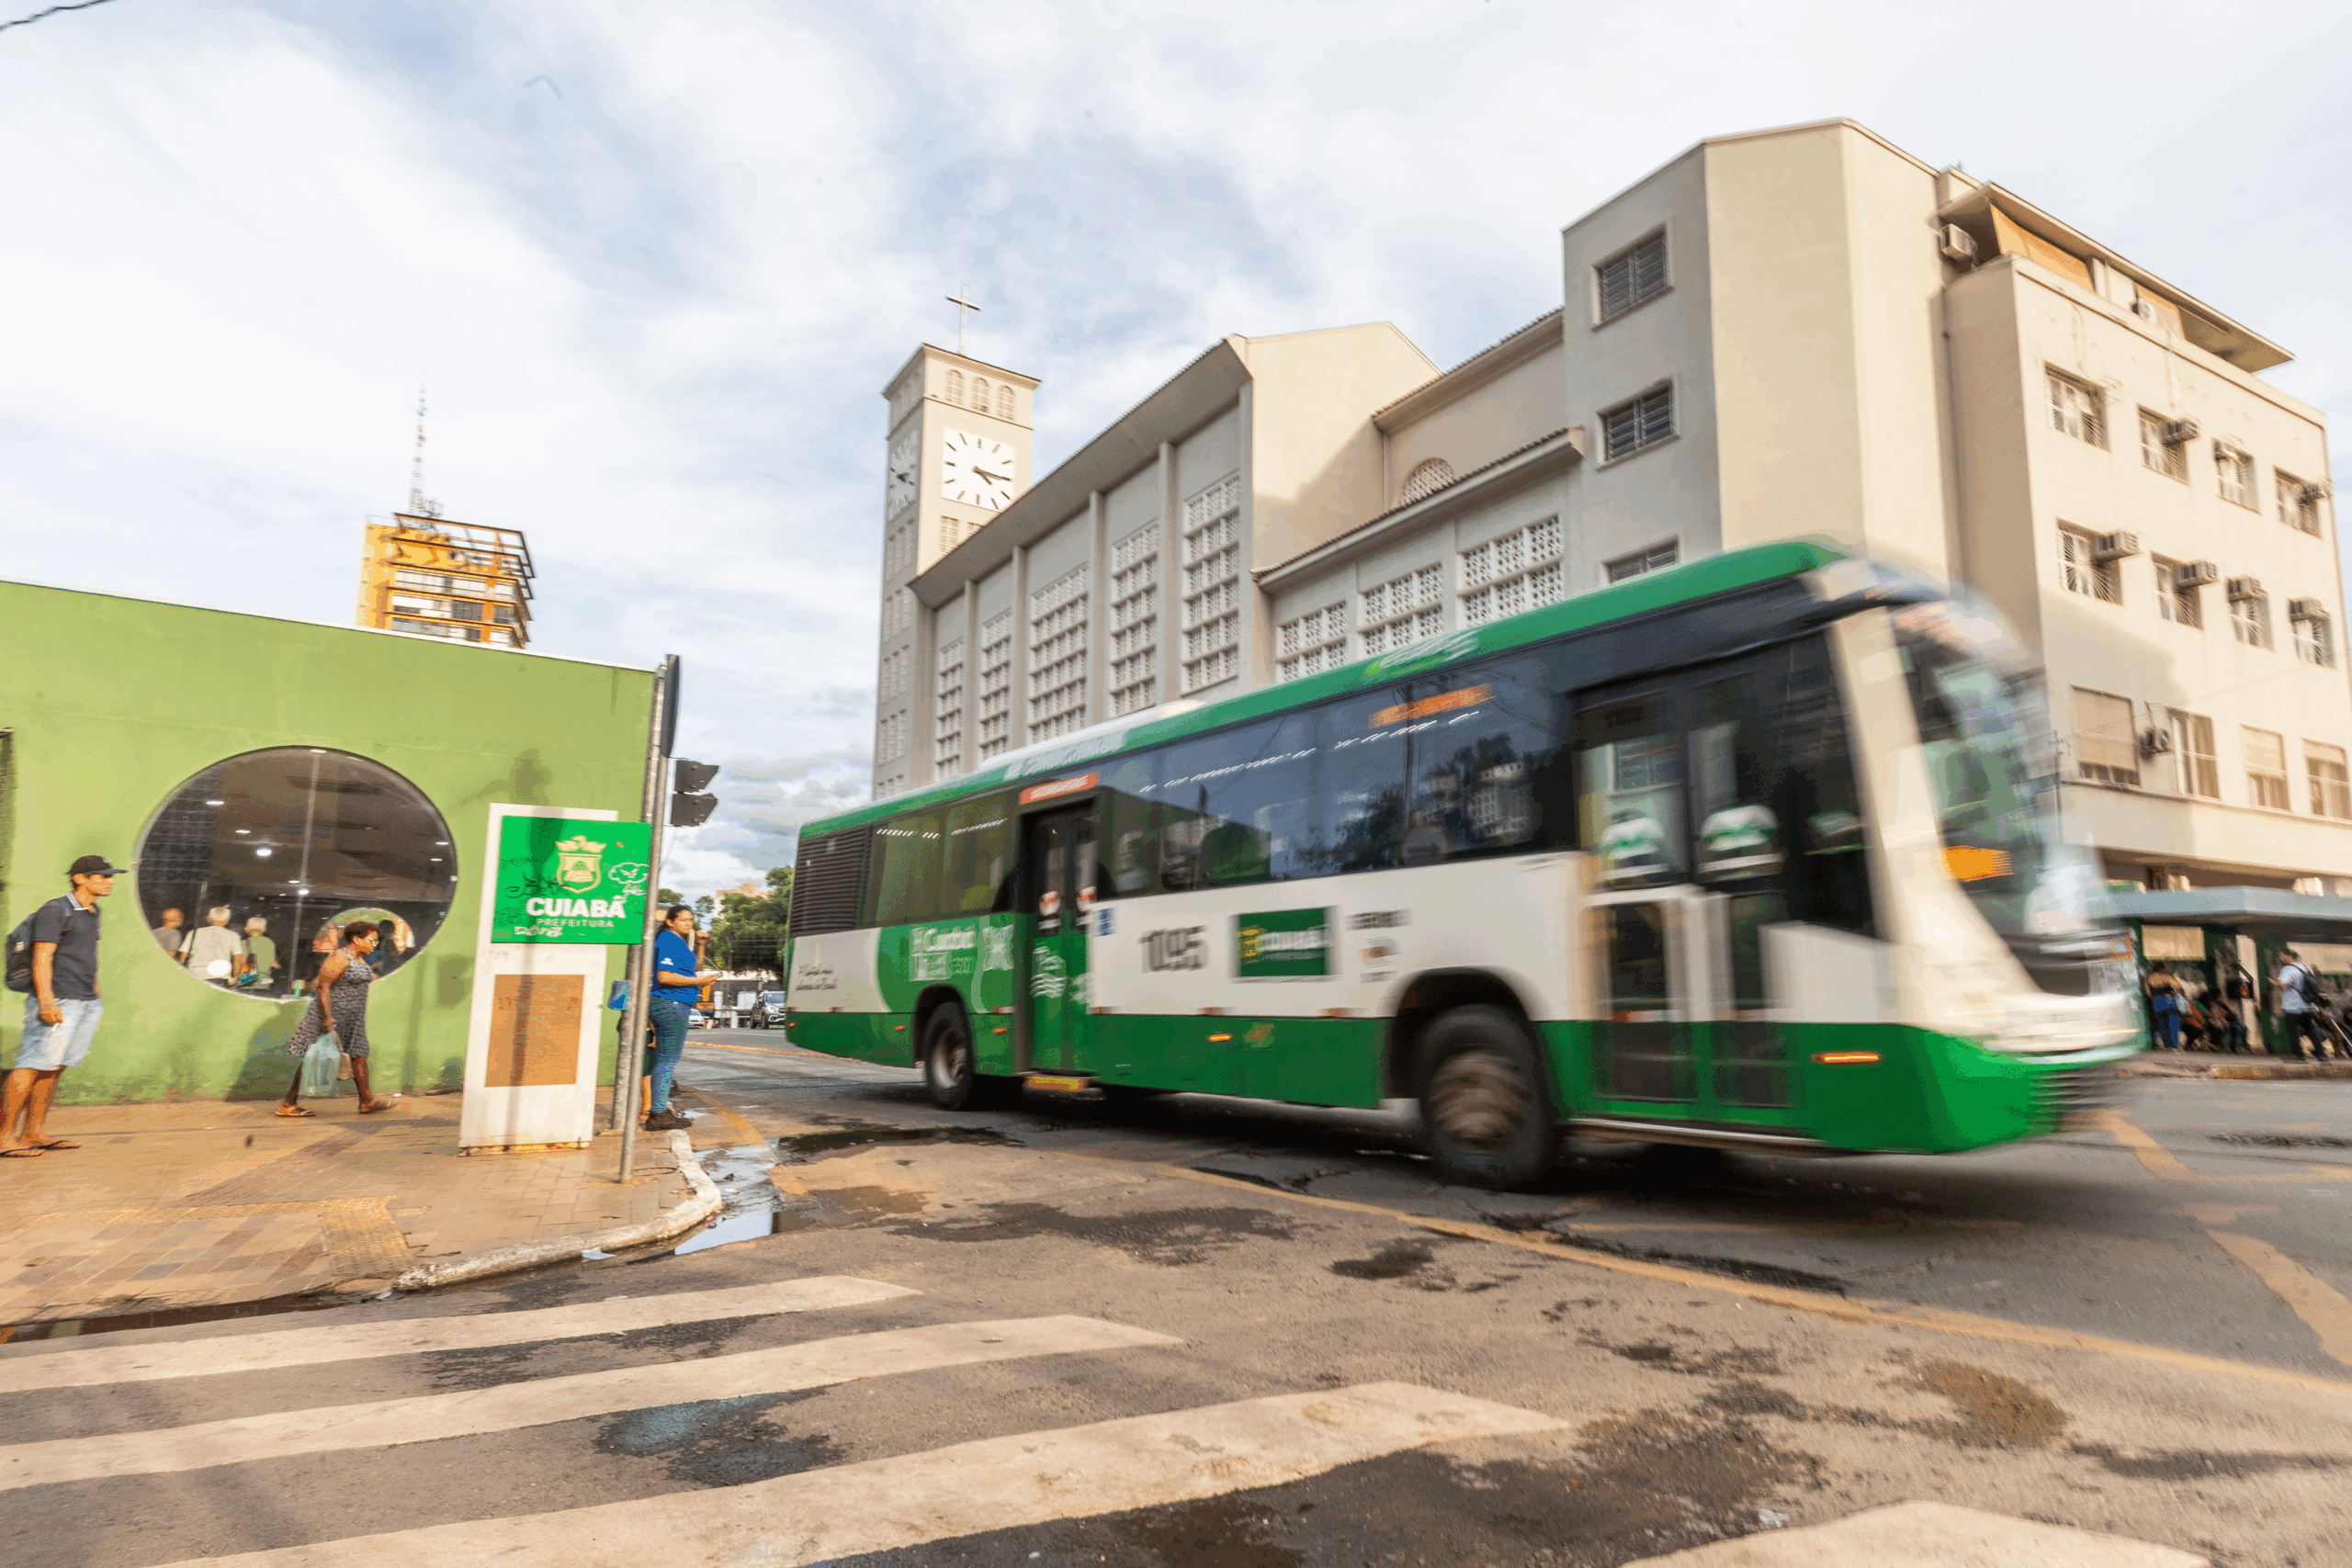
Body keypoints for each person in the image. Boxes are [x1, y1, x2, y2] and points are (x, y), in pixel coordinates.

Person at [5, 855, 119, 1158]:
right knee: (31, 1064)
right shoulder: (55, 910)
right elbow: (42, 956)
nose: (109, 881)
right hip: (58, 1000)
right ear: (80, 878)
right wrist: (46, 999)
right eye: (102, 876)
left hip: (85, 1002)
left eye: (111, 876)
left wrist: (95, 998)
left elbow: (86, 955)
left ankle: (34, 1133)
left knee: (54, 1068)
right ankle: (4, 1137)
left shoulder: (93, 911)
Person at [278, 920, 395, 1117]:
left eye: (376, 941)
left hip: (353, 1019)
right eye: (371, 940)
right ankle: (288, 1104)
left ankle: (367, 1102)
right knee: (311, 1057)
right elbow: (324, 986)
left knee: (359, 1055)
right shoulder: (341, 956)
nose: (374, 944)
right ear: (356, 939)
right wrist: (327, 1017)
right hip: (331, 1016)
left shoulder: (359, 958)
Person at [646, 903, 716, 1132]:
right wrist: (699, 982)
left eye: (691, 921)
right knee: (666, 1060)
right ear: (670, 921)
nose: (688, 924)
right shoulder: (667, 939)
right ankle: (657, 1113)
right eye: (684, 920)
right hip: (670, 1003)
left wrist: (701, 946)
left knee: (666, 1059)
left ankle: (659, 1110)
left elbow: (693, 967)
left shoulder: (679, 942)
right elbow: (665, 976)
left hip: (674, 1003)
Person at [2276, 950, 2330, 1061]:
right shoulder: (2306, 968)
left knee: (2292, 1029)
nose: (2281, 958)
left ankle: (2298, 1055)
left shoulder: (2287, 969)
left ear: (2289, 957)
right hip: (2308, 1005)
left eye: (2282, 956)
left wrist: (2275, 983)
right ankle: (2321, 1054)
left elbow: (2284, 984)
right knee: (2311, 1029)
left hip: (2294, 1006)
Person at [184, 906, 242, 988]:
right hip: (220, 976)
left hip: (195, 974)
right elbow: (238, 958)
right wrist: (235, 978)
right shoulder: (233, 935)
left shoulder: (193, 933)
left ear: (208, 919)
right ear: (227, 920)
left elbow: (183, 955)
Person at [2145, 963, 2186, 1051]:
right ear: (2162, 969)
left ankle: (2168, 1045)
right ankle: (2175, 1045)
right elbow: (2179, 987)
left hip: (2157, 1002)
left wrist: (2155, 998)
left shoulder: (2148, 978)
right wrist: (2182, 996)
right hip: (2169, 1001)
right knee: (2174, 1023)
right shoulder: (2166, 976)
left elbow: (2148, 993)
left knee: (2163, 1024)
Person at [240, 916, 278, 993]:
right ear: (264, 930)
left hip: (248, 980)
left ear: (247, 929)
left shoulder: (244, 943)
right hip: (265, 981)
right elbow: (273, 963)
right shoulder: (270, 942)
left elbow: (241, 962)